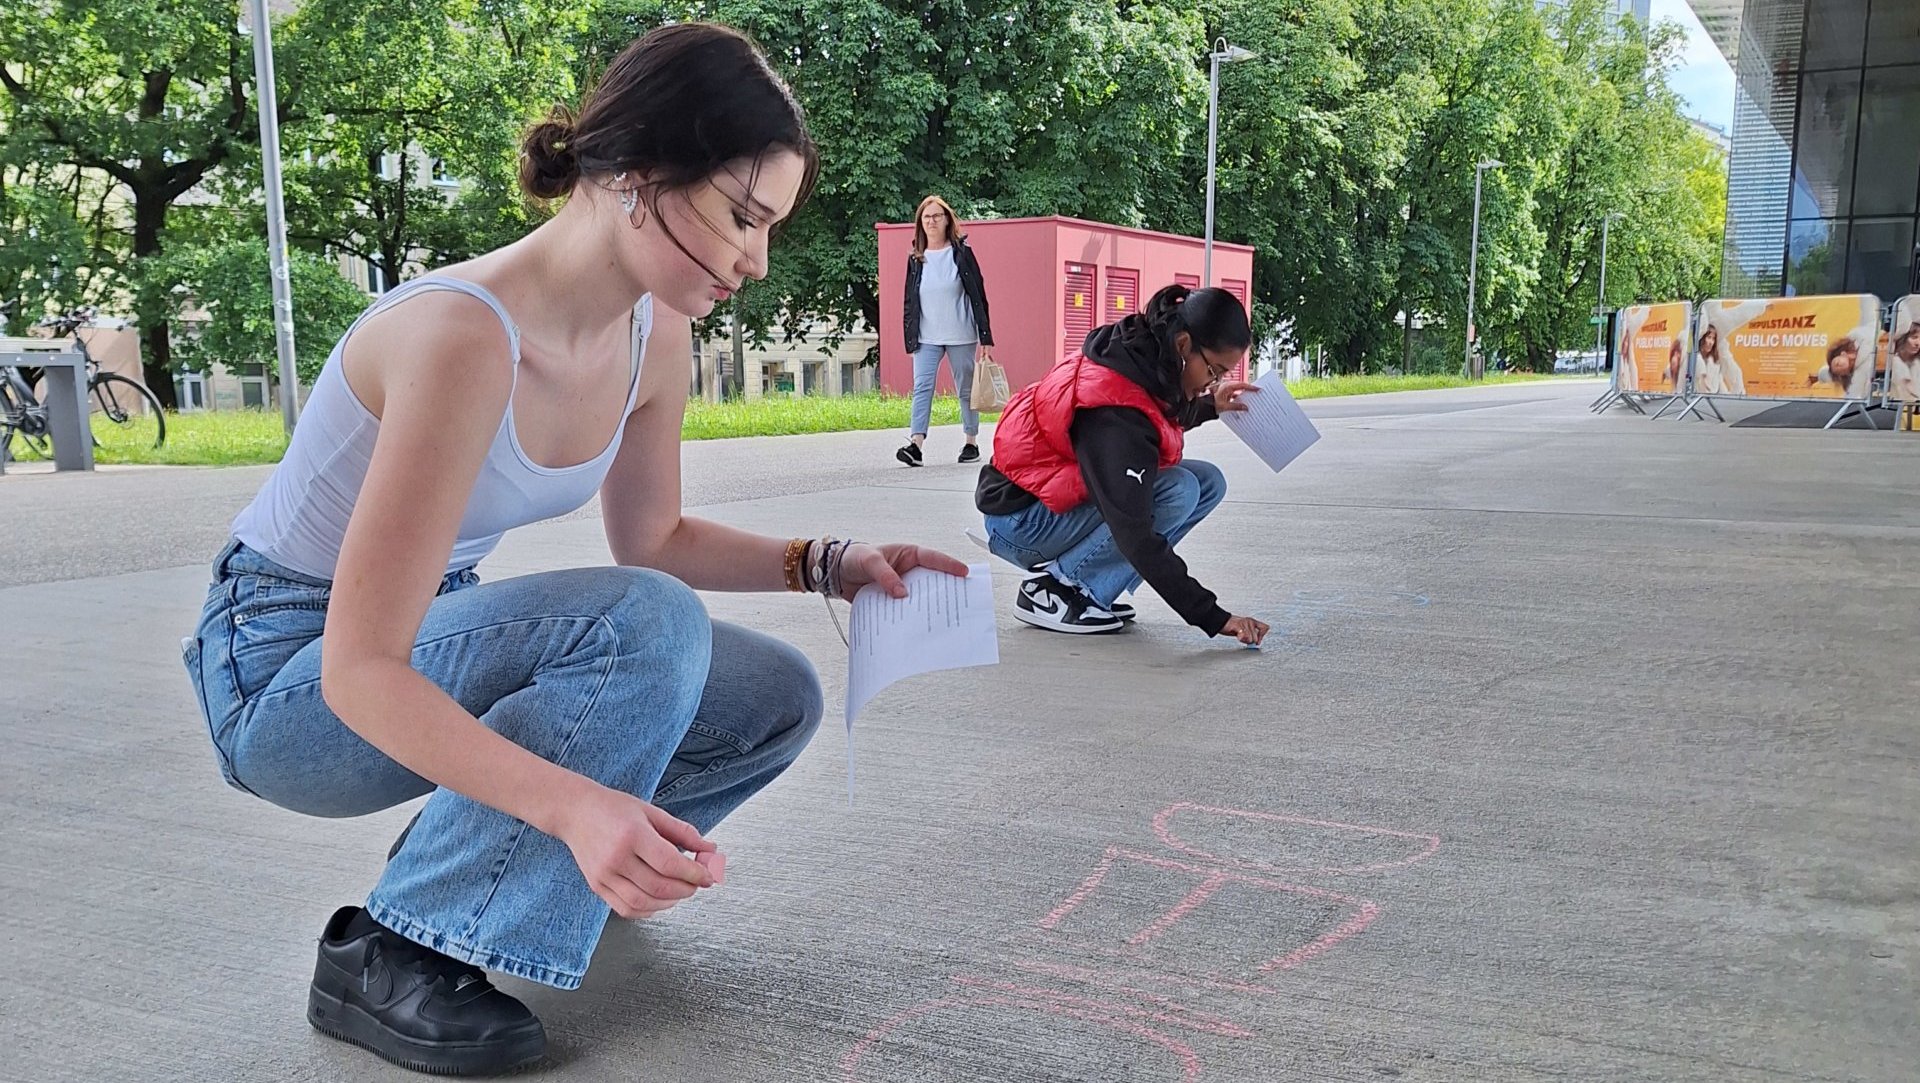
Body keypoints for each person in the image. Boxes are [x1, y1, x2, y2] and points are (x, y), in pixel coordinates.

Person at [179, 24, 965, 1076]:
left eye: (770, 228)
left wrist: (830, 561)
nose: (756, 259)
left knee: (773, 697)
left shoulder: (654, 331)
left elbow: (656, 537)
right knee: (640, 624)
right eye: (742, 216)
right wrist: (574, 803)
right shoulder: (463, 335)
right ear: (636, 173)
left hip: (422, 631)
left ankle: (510, 875)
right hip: (286, 674)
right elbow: (359, 670)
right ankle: (396, 949)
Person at [975, 284, 1270, 644]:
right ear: (1183, 345)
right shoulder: (1114, 415)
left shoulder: (1142, 353)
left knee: (1208, 482)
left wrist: (1211, 406)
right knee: (1177, 490)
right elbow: (1135, 531)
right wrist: (1214, 617)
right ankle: (1059, 589)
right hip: (1020, 523)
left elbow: (1156, 412)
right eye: (1214, 370)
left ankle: (1092, 587)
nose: (1213, 382)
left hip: (1043, 506)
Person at [898, 195, 994, 466]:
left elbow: (978, 294)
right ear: (920, 222)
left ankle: (971, 442)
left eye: (937, 216)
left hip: (961, 334)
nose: (931, 221)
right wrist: (909, 337)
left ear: (947, 220)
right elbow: (909, 300)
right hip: (926, 336)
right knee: (922, 387)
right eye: (926, 217)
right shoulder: (916, 258)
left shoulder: (961, 254)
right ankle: (916, 445)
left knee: (965, 388)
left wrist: (985, 336)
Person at [1887, 320, 1920, 402]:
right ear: (1903, 339)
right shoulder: (1894, 363)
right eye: (1914, 337)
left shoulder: (1916, 363)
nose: (1918, 343)